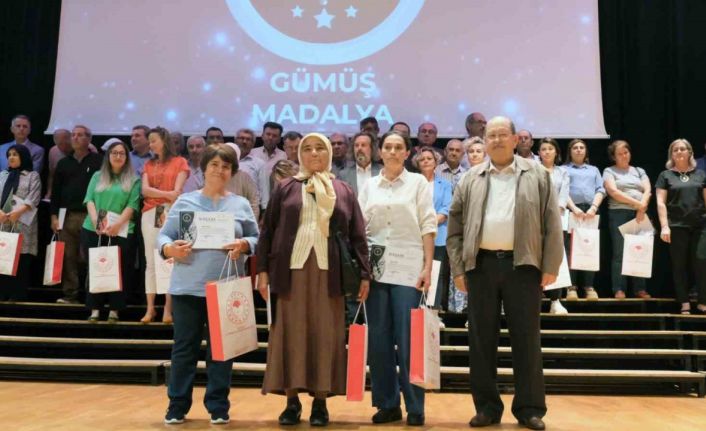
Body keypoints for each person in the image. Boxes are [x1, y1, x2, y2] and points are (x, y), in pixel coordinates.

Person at [447, 116, 562, 431]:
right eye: (491, 135)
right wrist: (458, 268)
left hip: (523, 266)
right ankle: (486, 408)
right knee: (481, 340)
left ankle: (529, 409)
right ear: (484, 142)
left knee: (527, 339)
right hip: (481, 267)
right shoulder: (470, 178)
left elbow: (552, 223)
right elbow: (454, 229)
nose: (496, 140)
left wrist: (551, 265)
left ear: (515, 140)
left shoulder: (537, 174)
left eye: (502, 134)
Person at [257, 133, 370, 427]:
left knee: (326, 334)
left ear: (329, 153)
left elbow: (358, 235)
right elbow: (267, 231)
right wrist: (262, 271)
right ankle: (291, 401)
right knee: (290, 334)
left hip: (329, 274)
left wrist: (364, 274)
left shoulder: (343, 190)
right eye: (307, 148)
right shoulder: (285, 188)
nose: (314, 153)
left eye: (320, 148)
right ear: (299, 155)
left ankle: (320, 403)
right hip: (291, 273)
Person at [158, 144, 259, 425]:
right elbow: (164, 236)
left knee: (222, 351)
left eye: (226, 166)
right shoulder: (185, 202)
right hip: (187, 287)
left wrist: (243, 244)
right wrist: (169, 249)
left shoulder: (240, 204)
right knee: (184, 350)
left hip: (226, 289)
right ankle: (177, 405)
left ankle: (218, 406)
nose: (219, 170)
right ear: (204, 168)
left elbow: (256, 237)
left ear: (232, 172)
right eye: (214, 164)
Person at [359, 130, 436, 427]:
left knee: (409, 339)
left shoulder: (418, 183)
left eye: (398, 147)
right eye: (387, 147)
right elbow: (360, 228)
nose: (392, 151)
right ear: (380, 152)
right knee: (379, 339)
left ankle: (415, 406)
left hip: (409, 270)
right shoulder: (369, 186)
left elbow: (428, 225)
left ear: (407, 153)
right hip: (376, 270)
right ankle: (387, 404)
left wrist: (427, 267)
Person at [82, 140, 140, 322]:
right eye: (114, 153)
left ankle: (115, 310)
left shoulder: (134, 179)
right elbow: (89, 199)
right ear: (108, 156)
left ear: (127, 157)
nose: (118, 156)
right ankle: (95, 310)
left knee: (119, 270)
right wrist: (96, 221)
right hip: (94, 229)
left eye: (122, 153)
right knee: (96, 267)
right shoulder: (97, 176)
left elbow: (132, 205)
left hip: (121, 230)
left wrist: (117, 225)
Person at [140, 126, 190, 323]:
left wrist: (163, 195)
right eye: (149, 141)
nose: (150, 144)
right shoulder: (148, 164)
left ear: (164, 140)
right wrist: (166, 194)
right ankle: (150, 308)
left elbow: (177, 193)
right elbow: (145, 191)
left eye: (153, 140)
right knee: (150, 261)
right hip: (149, 213)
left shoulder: (180, 162)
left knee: (169, 259)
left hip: (171, 212)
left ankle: (168, 310)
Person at [51, 125, 103, 304]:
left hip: (91, 215)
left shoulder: (99, 161)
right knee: (68, 256)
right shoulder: (63, 163)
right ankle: (70, 294)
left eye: (80, 135)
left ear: (89, 139)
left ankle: (92, 295)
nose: (75, 138)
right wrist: (54, 216)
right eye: (73, 135)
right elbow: (56, 192)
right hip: (67, 216)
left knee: (91, 256)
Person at [656, 139, 706, 314]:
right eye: (675, 150)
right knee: (679, 265)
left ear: (690, 152)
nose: (679, 152)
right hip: (676, 226)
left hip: (700, 226)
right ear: (671, 154)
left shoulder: (701, 175)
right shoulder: (665, 175)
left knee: (701, 262)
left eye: (682, 149)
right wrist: (664, 226)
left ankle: (702, 301)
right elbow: (660, 203)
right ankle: (684, 301)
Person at [603, 140, 652, 299]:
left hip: (640, 213)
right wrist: (638, 204)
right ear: (613, 156)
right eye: (620, 153)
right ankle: (619, 288)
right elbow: (613, 192)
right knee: (620, 252)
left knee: (640, 250)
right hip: (619, 213)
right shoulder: (609, 171)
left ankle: (640, 289)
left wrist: (641, 208)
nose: (624, 156)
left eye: (626, 152)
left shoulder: (639, 170)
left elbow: (648, 189)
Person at [415, 147, 452, 325]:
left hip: (438, 235)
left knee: (436, 274)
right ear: (417, 163)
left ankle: (433, 313)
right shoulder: (413, 183)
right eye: (422, 159)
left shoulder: (445, 184)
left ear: (436, 162)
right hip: (415, 235)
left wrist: (429, 224)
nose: (426, 161)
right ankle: (417, 311)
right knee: (416, 273)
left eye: (429, 158)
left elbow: (446, 208)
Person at [565, 139, 604, 300]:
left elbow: (600, 189)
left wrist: (593, 207)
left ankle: (589, 286)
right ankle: (571, 287)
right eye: (575, 147)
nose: (579, 150)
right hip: (572, 210)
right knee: (571, 249)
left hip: (591, 211)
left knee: (590, 247)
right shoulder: (564, 169)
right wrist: (574, 208)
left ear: (586, 151)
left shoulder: (594, 170)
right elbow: (563, 190)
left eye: (582, 147)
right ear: (570, 151)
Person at [0, 145, 41, 301]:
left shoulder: (32, 175)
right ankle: (3, 292)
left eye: (15, 154)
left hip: (23, 223)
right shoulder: (3, 175)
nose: (11, 157)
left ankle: (17, 294)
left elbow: (34, 198)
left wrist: (18, 212)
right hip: (3, 222)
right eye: (9, 154)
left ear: (23, 157)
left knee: (21, 259)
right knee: (3, 256)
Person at [538, 138, 570, 314]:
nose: (547, 152)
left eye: (550, 148)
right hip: (536, 219)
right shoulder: (533, 169)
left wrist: (554, 214)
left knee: (556, 258)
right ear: (539, 152)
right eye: (543, 149)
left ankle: (555, 300)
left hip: (557, 219)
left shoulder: (562, 172)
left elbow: (563, 195)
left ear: (556, 152)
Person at [337, 132, 382, 197]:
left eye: (363, 145)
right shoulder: (343, 175)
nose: (359, 148)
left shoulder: (382, 171)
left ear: (372, 149)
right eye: (356, 145)